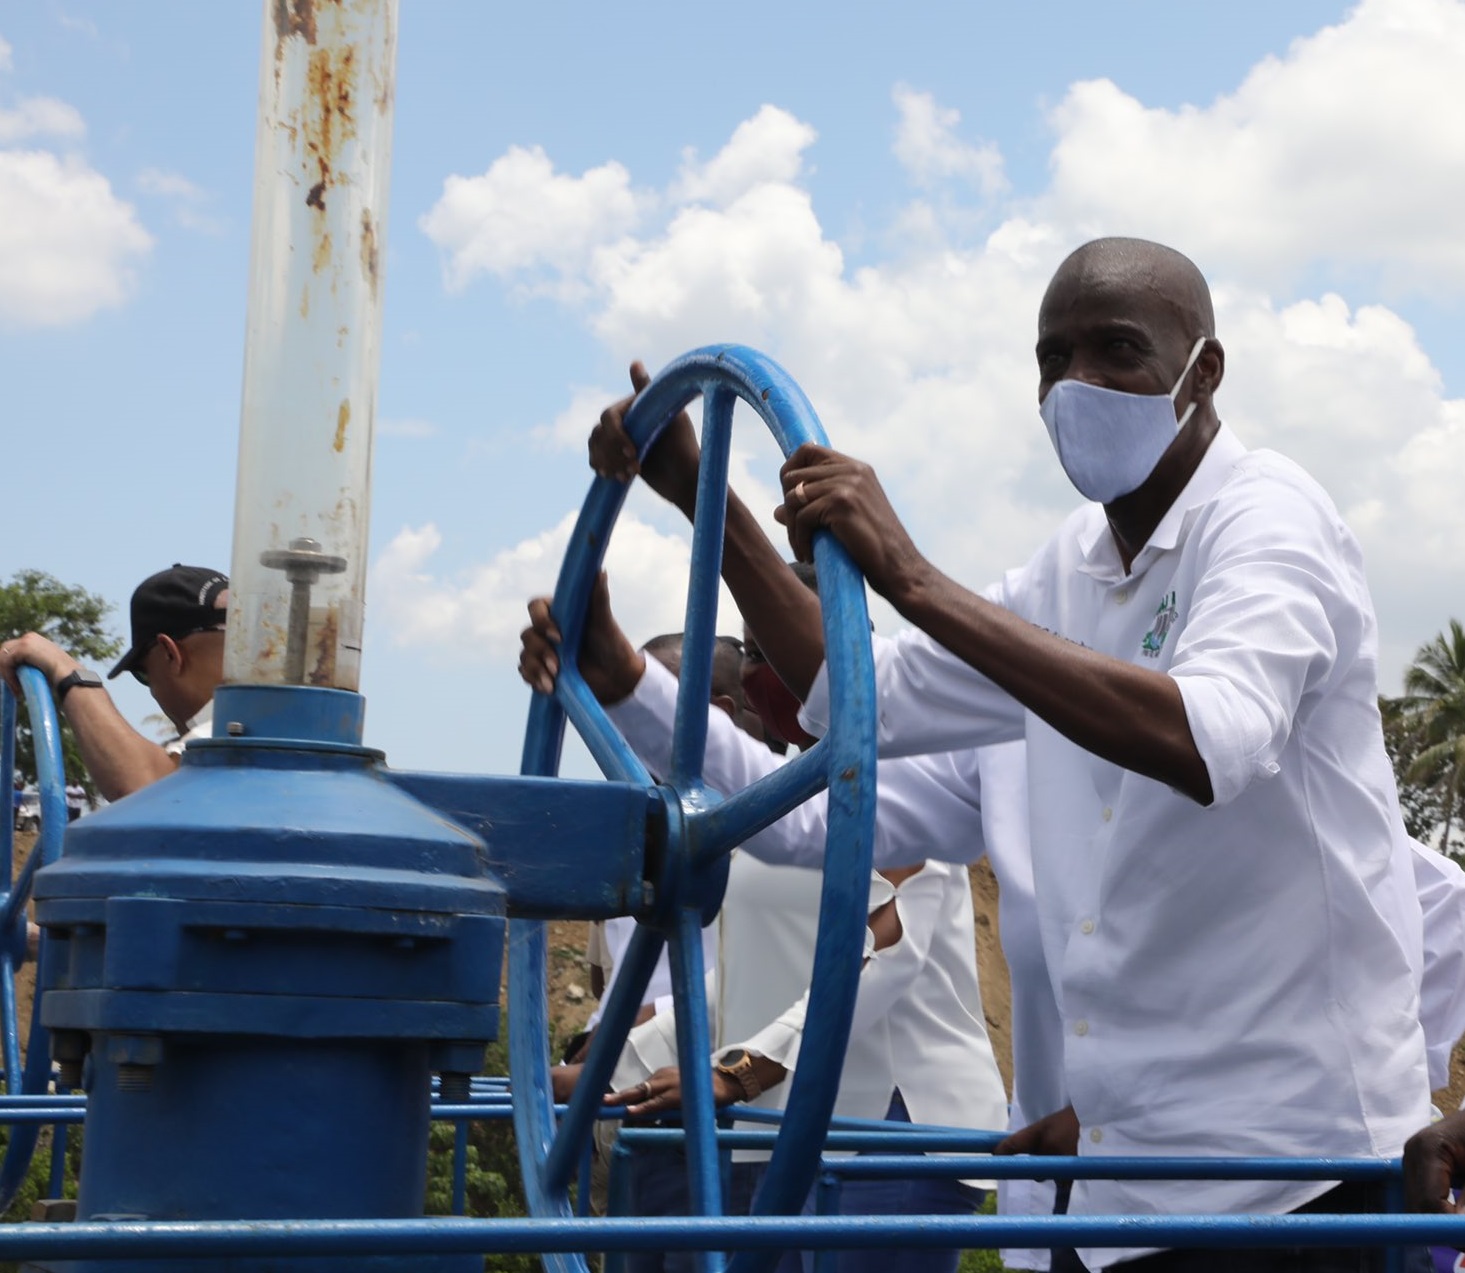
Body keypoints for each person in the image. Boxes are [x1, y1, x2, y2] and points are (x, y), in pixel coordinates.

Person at [587, 236, 1430, 1272]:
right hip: (1114, 1190)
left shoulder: (1266, 522)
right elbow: (858, 698)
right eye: (1051, 358)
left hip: (1294, 1185)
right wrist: (703, 498)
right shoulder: (1064, 572)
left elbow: (1209, 734)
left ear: (1202, 371)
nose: (1076, 385)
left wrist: (910, 576)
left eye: (1116, 350)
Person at [524, 582, 1012, 1273]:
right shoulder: (780, 791)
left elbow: (883, 951)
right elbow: (747, 976)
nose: (755, 673)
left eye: (765, 648)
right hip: (789, 1130)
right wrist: (603, 1066)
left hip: (887, 1133)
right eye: (748, 651)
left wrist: (740, 1072)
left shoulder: (910, 779)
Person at [0, 564, 228, 802]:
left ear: (170, 653)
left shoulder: (238, 725)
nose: (152, 690)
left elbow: (151, 795)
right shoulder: (256, 718)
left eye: (143, 674)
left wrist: (65, 670)